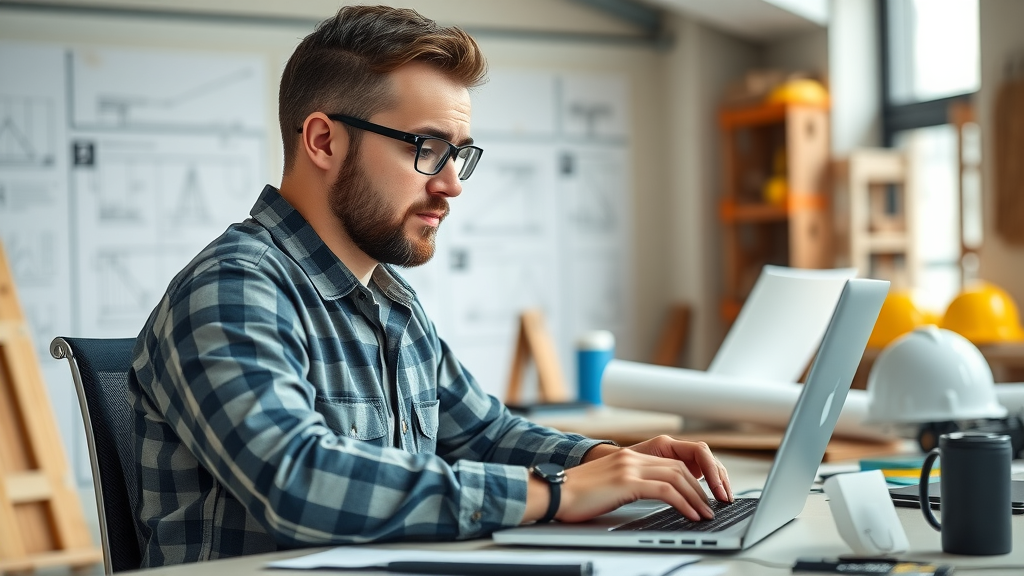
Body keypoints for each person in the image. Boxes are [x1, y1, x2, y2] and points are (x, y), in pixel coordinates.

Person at [129, 5, 733, 566]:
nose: (452, 184)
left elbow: (483, 434)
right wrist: (555, 491)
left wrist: (607, 462)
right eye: (426, 148)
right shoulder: (231, 289)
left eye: (458, 155)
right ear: (322, 140)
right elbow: (298, 478)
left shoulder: (391, 302)